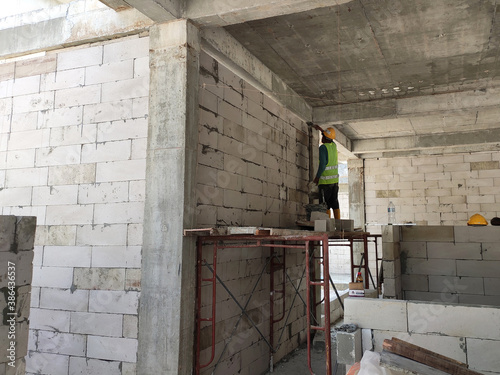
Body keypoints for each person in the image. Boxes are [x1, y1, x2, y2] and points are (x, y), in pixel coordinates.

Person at [310, 123, 340, 219]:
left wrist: (317, 178)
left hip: (325, 183)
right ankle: (338, 224)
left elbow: (322, 165)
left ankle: (327, 225)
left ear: (326, 138)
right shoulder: (333, 146)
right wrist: (320, 129)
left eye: (322, 136)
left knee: (324, 205)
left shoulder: (323, 148)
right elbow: (328, 136)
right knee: (335, 203)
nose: (321, 138)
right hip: (334, 183)